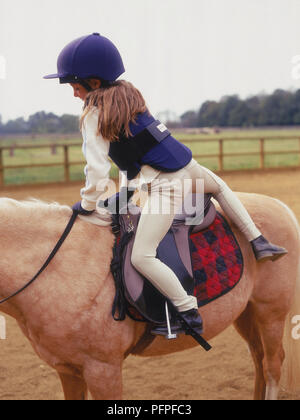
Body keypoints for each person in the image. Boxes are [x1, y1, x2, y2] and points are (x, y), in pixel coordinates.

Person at [44, 33, 287, 336]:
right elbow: (134, 152)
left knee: (142, 255)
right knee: (221, 189)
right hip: (189, 166)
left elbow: (96, 167)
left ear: (93, 83)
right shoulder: (129, 97)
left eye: (74, 85)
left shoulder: (94, 112)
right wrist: (127, 192)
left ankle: (187, 309)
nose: (74, 93)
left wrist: (89, 203)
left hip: (167, 185)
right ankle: (258, 241)